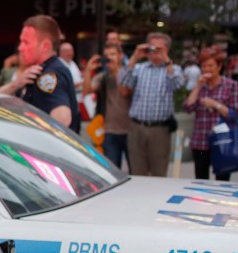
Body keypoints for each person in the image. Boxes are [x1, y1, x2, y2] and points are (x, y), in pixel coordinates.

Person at [0, 15, 80, 132]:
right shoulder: (39, 71)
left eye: (26, 42)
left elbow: (63, 119)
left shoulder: (49, 75)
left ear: (45, 46)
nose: (20, 47)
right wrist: (16, 84)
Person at [118, 31, 185, 177]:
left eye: (159, 48)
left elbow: (177, 84)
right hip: (137, 127)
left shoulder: (174, 70)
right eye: (152, 48)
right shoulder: (139, 68)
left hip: (159, 129)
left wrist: (166, 59)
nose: (155, 52)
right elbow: (123, 81)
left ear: (167, 49)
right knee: (137, 172)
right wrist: (135, 57)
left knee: (158, 173)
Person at [182, 46, 238, 181]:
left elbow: (234, 115)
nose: (207, 69)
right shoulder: (200, 86)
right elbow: (188, 107)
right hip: (200, 142)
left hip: (223, 141)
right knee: (200, 181)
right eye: (204, 66)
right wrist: (197, 86)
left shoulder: (231, 85)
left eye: (210, 65)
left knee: (222, 181)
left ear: (219, 66)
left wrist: (215, 104)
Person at [82, 43, 131, 170]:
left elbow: (125, 92)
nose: (109, 58)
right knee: (112, 170)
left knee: (134, 171)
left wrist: (117, 71)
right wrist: (88, 70)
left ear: (121, 56)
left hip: (130, 130)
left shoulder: (128, 74)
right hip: (109, 130)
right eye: (107, 56)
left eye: (113, 54)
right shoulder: (103, 76)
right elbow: (86, 91)